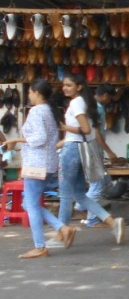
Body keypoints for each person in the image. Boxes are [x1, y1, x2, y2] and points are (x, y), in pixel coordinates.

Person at [4, 79, 75, 258]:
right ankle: (62, 228)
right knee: (29, 203)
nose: (28, 95)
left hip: (36, 164)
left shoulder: (36, 111)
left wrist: (16, 140)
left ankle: (40, 246)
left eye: (30, 92)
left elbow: (39, 139)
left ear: (37, 92)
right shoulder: (50, 111)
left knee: (32, 206)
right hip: (48, 162)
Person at [57, 73, 124, 245]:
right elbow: (91, 131)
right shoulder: (88, 102)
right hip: (82, 149)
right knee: (79, 194)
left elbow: (85, 129)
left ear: (79, 87)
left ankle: (62, 233)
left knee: (65, 194)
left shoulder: (76, 102)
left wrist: (65, 127)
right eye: (64, 85)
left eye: (69, 85)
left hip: (72, 150)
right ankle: (111, 222)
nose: (65, 88)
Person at [78, 84, 127, 227]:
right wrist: (110, 152)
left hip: (91, 148)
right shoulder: (97, 108)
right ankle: (92, 218)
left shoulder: (91, 104)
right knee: (97, 185)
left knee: (105, 180)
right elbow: (96, 133)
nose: (110, 101)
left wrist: (120, 91)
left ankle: (82, 207)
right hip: (93, 148)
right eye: (110, 98)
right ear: (105, 96)